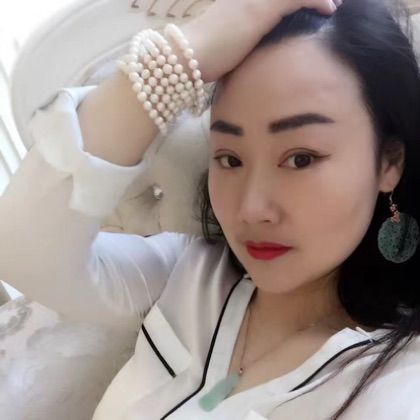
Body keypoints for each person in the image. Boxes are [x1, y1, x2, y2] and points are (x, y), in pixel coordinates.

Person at [2, 0, 420, 418]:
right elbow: (24, 251)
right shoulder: (187, 270)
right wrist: (188, 50)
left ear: (389, 162)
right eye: (230, 159)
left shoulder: (396, 383)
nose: (252, 209)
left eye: (301, 159)